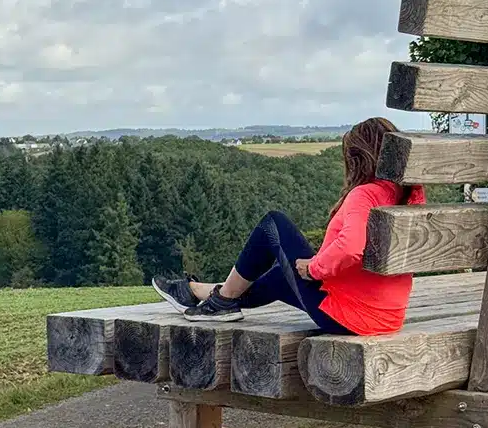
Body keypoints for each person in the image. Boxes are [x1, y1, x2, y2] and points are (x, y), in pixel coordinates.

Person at [152, 117, 425, 336]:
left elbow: (351, 247)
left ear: (358, 158)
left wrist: (315, 267)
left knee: (274, 223)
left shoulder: (366, 194)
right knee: (280, 276)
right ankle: (202, 293)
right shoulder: (410, 196)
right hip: (387, 316)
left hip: (348, 317)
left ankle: (219, 302)